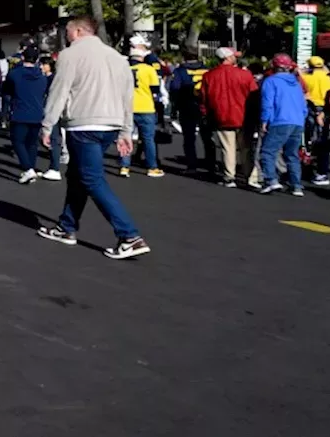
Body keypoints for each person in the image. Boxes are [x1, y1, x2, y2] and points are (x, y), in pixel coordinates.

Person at [36, 17, 150, 259]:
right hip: (111, 123)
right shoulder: (117, 58)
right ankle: (66, 227)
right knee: (78, 176)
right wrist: (125, 130)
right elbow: (126, 96)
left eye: (68, 32)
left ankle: (129, 235)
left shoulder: (69, 55)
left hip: (83, 124)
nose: (66, 37)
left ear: (78, 31)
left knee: (92, 179)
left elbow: (59, 90)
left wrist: (47, 125)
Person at [199, 47, 258, 188]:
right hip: (244, 117)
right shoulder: (245, 75)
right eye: (233, 56)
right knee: (247, 148)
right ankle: (251, 177)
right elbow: (254, 96)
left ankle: (229, 177)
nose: (235, 58)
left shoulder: (209, 76)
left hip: (221, 116)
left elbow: (203, 99)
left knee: (227, 148)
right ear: (227, 58)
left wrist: (206, 115)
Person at [257, 53, 308, 196]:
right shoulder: (296, 83)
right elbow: (303, 105)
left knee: (267, 151)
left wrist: (265, 120)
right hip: (297, 121)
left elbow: (267, 103)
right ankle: (296, 185)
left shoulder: (271, 81)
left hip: (279, 120)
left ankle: (271, 180)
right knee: (292, 154)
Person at [4, 49, 52, 183]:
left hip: (20, 111)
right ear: (37, 60)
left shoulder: (14, 74)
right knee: (32, 143)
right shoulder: (42, 77)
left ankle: (28, 169)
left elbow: (7, 91)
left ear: (23, 57)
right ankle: (30, 168)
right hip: (37, 112)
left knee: (17, 141)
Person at [169, 51, 209, 173]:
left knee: (189, 137)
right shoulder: (207, 70)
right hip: (205, 106)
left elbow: (175, 89)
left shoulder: (180, 71)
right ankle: (210, 164)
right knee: (207, 137)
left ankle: (192, 165)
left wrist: (174, 107)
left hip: (186, 106)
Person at [129, 39, 164, 178]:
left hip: (128, 106)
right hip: (146, 106)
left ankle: (125, 165)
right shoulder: (149, 69)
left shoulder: (124, 68)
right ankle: (152, 166)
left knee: (126, 137)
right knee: (149, 138)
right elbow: (155, 90)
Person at [304, 55, 330, 158]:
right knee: (326, 128)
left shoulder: (306, 77)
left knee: (311, 127)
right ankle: (328, 149)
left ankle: (313, 148)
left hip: (311, 104)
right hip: (326, 106)